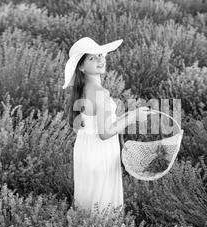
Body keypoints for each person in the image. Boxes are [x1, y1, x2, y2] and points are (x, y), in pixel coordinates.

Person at [62, 37, 150, 217]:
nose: (101, 60)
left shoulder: (81, 89)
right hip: (100, 152)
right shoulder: (100, 92)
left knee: (88, 202)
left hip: (85, 151)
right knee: (103, 206)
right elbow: (105, 133)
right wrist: (133, 117)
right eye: (92, 58)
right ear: (81, 67)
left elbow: (93, 125)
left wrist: (126, 115)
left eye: (101, 55)